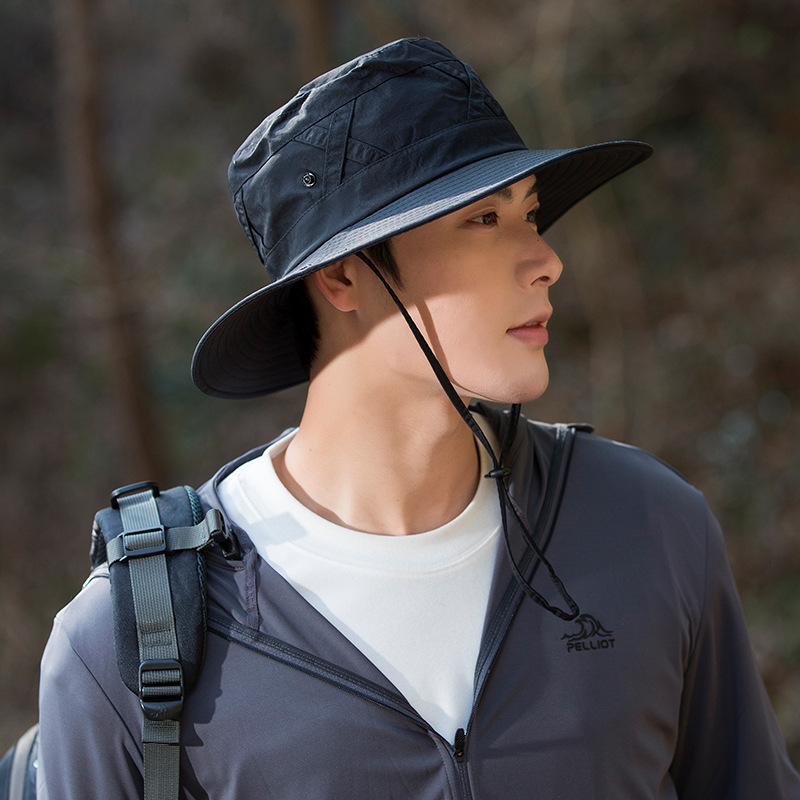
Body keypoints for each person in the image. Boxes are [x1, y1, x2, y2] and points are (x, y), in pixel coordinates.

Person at [37, 37, 800, 799]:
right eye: (485, 219)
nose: (547, 260)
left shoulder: (647, 524)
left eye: (531, 214)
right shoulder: (129, 647)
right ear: (344, 277)